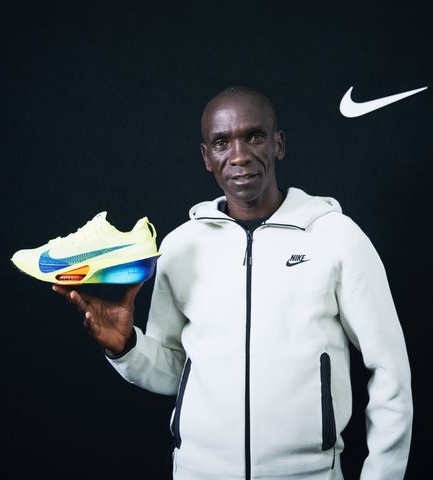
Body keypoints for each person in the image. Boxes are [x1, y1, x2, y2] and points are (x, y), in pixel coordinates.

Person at [53, 86, 413, 480]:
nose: (239, 156)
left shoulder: (336, 237)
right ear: (206, 157)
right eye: (222, 142)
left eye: (254, 136)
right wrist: (127, 347)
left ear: (278, 144)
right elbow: (176, 371)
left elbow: (391, 372)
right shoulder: (180, 246)